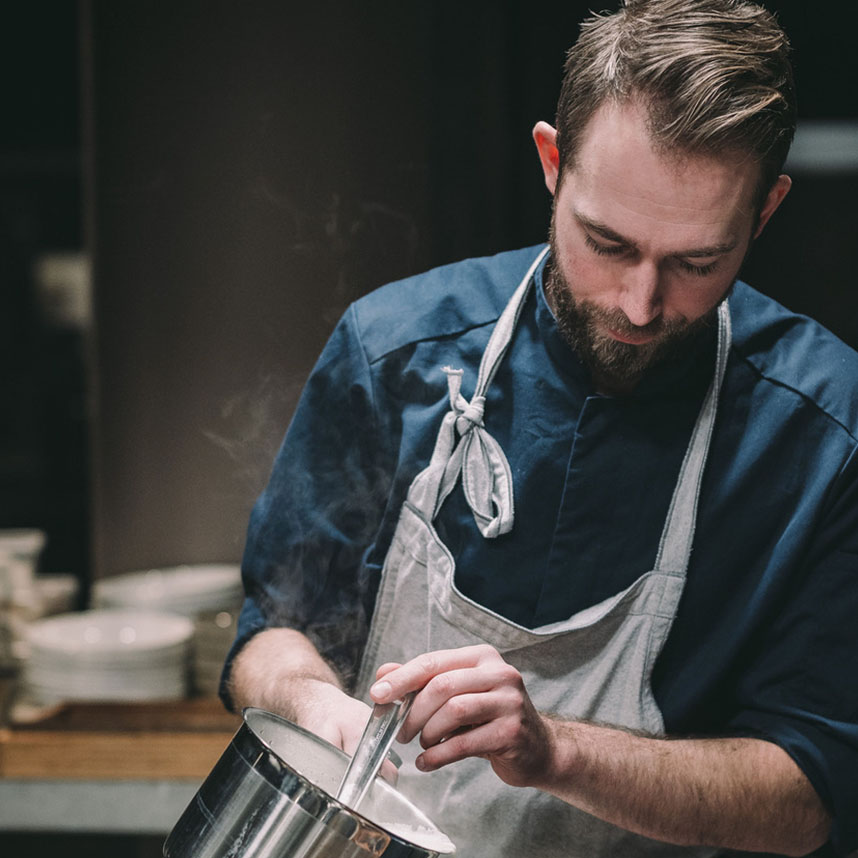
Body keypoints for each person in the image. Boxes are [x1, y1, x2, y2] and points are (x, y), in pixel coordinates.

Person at [220, 1, 858, 855]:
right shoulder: (394, 352)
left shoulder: (823, 432)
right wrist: (309, 699)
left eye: (697, 262)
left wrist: (553, 751)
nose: (640, 303)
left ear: (767, 211)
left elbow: (806, 796)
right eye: (608, 243)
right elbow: (268, 635)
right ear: (552, 162)